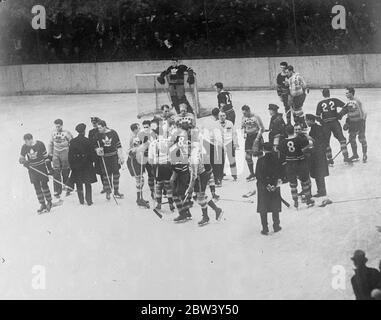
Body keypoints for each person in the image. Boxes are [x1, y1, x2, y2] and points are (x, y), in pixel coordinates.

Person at [187, 133, 223, 226]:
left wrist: (190, 188)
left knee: (200, 197)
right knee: (198, 196)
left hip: (199, 176)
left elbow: (194, 175)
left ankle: (206, 217)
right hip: (203, 173)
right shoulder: (195, 148)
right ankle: (217, 209)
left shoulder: (194, 157)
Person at [279, 125, 314, 209]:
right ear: (293, 131)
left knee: (293, 184)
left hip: (290, 164)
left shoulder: (283, 142)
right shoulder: (298, 139)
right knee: (304, 181)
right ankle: (308, 200)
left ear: (286, 132)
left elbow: (281, 152)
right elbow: (309, 144)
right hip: (300, 162)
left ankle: (295, 202)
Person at [316, 88, 351, 165]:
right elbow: (346, 107)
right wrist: (340, 114)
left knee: (326, 142)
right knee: (342, 139)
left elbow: (317, 117)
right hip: (335, 122)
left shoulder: (320, 103)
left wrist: (322, 122)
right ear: (329, 93)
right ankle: (346, 158)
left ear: (323, 94)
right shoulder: (334, 100)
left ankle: (330, 160)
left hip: (326, 124)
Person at [19, 134, 53, 214]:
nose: (26, 143)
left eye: (27, 141)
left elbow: (46, 157)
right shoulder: (24, 147)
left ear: (31, 139)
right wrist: (24, 161)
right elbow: (21, 158)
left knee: (44, 185)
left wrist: (50, 168)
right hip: (32, 169)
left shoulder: (40, 144)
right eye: (25, 142)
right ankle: (42, 204)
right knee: (36, 186)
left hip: (41, 167)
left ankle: (49, 202)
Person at [255, 142, 282, 235]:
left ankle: (265, 228)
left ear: (263, 150)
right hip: (274, 185)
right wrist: (273, 184)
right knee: (275, 206)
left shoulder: (260, 160)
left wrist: (267, 185)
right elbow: (279, 173)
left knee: (263, 207)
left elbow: (257, 174)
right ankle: (276, 226)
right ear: (272, 148)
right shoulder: (276, 159)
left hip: (263, 186)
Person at [94, 120, 125, 200]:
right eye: (98, 128)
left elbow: (118, 144)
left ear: (104, 126)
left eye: (100, 128)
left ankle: (116, 191)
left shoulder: (113, 133)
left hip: (114, 157)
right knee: (106, 176)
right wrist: (97, 149)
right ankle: (108, 192)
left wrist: (121, 157)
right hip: (104, 158)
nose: (99, 129)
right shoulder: (97, 135)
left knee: (116, 174)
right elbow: (94, 145)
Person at [68, 123, 97, 206]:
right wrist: (93, 161)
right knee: (88, 183)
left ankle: (81, 200)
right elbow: (92, 154)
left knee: (78, 183)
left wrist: (72, 166)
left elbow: (70, 155)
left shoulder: (73, 141)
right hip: (87, 165)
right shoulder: (88, 141)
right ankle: (89, 200)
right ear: (84, 131)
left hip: (77, 166)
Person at [339, 87, 368, 163]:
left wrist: (362, 122)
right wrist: (347, 122)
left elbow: (364, 112)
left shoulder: (357, 101)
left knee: (362, 139)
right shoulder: (348, 102)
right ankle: (355, 155)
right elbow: (347, 113)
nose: (346, 94)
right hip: (352, 123)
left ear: (351, 93)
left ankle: (364, 154)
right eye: (346, 93)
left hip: (359, 122)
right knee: (352, 139)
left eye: (347, 93)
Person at [305, 114, 329, 198]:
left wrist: (309, 138)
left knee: (319, 173)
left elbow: (318, 141)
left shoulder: (316, 129)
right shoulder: (316, 128)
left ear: (311, 120)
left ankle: (322, 191)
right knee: (318, 173)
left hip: (318, 154)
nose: (306, 122)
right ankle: (321, 190)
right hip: (318, 153)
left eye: (307, 120)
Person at [127, 123, 150, 208]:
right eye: (138, 128)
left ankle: (140, 198)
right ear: (135, 130)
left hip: (138, 160)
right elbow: (136, 149)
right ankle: (139, 199)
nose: (140, 129)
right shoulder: (134, 138)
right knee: (139, 180)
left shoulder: (137, 136)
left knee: (141, 180)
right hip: (134, 161)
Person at [48, 119, 73, 198]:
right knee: (56, 171)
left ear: (62, 125)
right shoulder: (53, 133)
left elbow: (72, 143)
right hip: (56, 153)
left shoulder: (67, 133)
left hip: (65, 152)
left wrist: (72, 154)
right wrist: (50, 153)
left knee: (66, 170)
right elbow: (50, 143)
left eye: (59, 126)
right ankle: (57, 190)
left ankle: (67, 187)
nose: (57, 128)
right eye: (56, 126)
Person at [241, 105, 265, 181]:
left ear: (249, 111)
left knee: (259, 156)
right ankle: (252, 173)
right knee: (247, 157)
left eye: (245, 113)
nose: (244, 114)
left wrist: (257, 138)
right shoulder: (243, 117)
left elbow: (262, 128)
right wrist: (244, 133)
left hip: (256, 136)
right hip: (248, 138)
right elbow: (243, 127)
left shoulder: (256, 117)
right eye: (243, 113)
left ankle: (261, 172)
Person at [218, 111, 238, 181]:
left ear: (226, 116)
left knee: (232, 159)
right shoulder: (216, 124)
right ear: (218, 116)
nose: (222, 117)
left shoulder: (230, 123)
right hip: (220, 144)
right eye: (221, 116)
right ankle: (220, 175)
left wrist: (235, 143)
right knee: (220, 160)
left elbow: (234, 134)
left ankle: (234, 175)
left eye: (223, 115)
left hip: (229, 143)